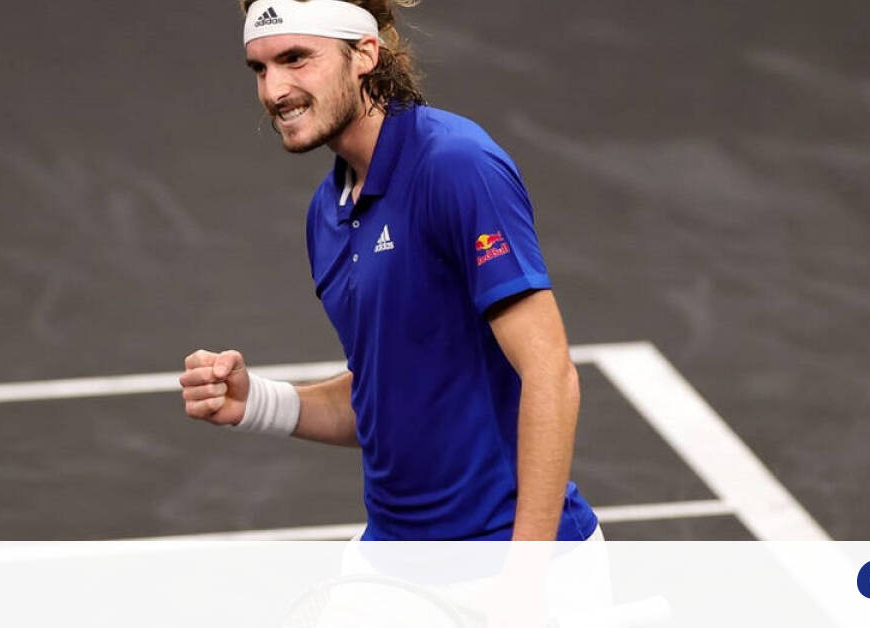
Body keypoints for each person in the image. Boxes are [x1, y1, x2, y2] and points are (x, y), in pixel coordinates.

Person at [179, 0, 598, 541]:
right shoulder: (326, 212)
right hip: (396, 546)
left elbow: (550, 374)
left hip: (504, 548)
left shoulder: (455, 165)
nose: (274, 90)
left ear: (364, 54)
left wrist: (526, 572)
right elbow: (387, 395)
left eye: (295, 58)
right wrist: (254, 401)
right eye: (260, 68)